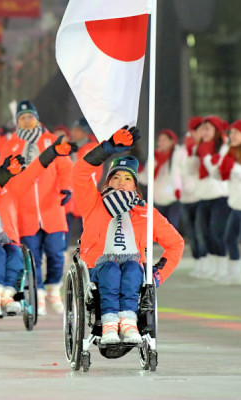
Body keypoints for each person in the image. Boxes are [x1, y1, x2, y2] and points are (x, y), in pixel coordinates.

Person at [72, 126, 184, 344]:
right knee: (112, 268)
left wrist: (158, 274)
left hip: (132, 269)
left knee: (133, 268)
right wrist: (107, 149)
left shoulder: (145, 212)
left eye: (127, 178)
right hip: (96, 269)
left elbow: (175, 244)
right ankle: (110, 324)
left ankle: (129, 323)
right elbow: (79, 173)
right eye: (115, 177)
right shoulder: (94, 203)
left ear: (135, 184)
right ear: (108, 181)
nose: (121, 182)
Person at [0, 137, 76, 317]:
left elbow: (31, 173)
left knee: (16, 254)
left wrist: (50, 153)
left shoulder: (9, 191)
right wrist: (3, 173)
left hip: (8, 241)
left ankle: (8, 295)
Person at [0, 100, 74, 315]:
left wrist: (66, 188)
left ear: (37, 117)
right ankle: (38, 294)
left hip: (52, 207)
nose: (27, 120)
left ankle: (53, 290)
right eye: (22, 117)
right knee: (32, 255)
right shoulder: (11, 145)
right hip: (24, 210)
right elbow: (2, 175)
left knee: (57, 254)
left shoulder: (51, 141)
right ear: (17, 121)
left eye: (30, 116)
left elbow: (65, 167)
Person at [189, 115, 231, 279]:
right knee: (204, 233)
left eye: (207, 129)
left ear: (216, 131)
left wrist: (206, 156)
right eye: (202, 129)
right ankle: (213, 267)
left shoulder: (224, 148)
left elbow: (217, 171)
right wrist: (194, 151)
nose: (203, 132)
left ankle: (223, 268)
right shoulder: (200, 147)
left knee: (216, 233)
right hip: (203, 195)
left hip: (220, 196)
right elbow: (191, 171)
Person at [211, 120, 241, 286]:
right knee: (229, 238)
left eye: (236, 133)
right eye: (231, 132)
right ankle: (235, 274)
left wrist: (232, 167)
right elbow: (222, 176)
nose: (232, 135)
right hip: (236, 203)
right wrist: (215, 167)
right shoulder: (230, 151)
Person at [65, 117, 103, 247]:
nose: (73, 133)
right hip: (69, 196)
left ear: (85, 132)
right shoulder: (69, 147)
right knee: (65, 228)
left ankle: (88, 256)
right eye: (73, 130)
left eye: (77, 130)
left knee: (87, 230)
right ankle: (66, 253)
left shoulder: (92, 148)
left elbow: (95, 174)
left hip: (85, 195)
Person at [139, 129, 182, 230]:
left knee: (172, 227)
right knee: (159, 228)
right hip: (158, 198)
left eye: (164, 140)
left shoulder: (178, 155)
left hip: (174, 198)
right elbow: (146, 177)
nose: (161, 143)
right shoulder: (154, 157)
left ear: (172, 141)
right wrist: (138, 173)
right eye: (159, 140)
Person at [179, 117, 203, 277]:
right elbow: (179, 171)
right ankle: (199, 262)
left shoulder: (207, 147)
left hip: (201, 196)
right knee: (192, 233)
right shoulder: (183, 149)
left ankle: (205, 262)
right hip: (186, 197)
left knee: (202, 231)